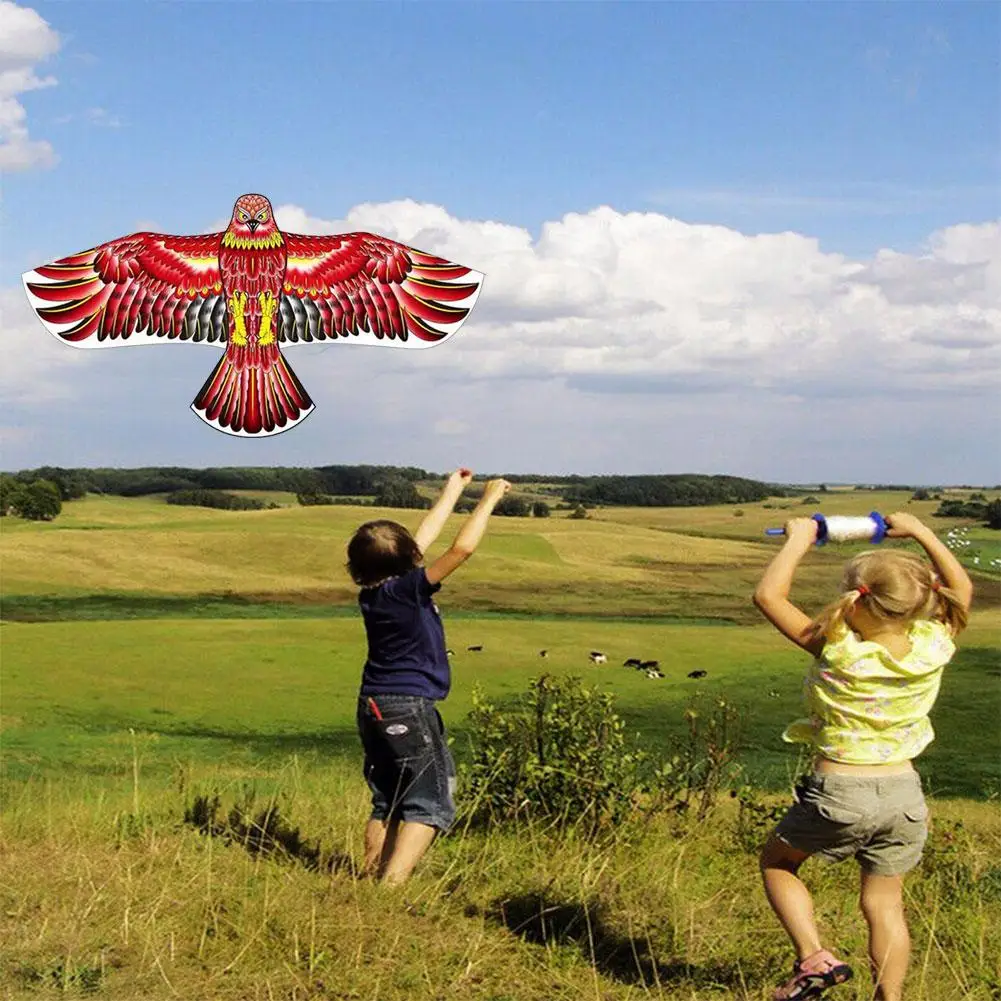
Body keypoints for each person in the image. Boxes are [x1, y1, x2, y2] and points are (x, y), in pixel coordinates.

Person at [752, 512, 973, 1001]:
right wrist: (922, 532)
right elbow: (962, 591)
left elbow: (768, 597)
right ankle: (888, 998)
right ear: (923, 602)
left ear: (856, 599)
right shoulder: (934, 645)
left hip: (841, 788)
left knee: (778, 863)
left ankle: (813, 957)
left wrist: (800, 539)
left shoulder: (836, 649)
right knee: (884, 903)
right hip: (904, 795)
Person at [347, 469, 511, 884]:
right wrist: (488, 500)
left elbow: (420, 542)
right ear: (408, 560)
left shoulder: (375, 592)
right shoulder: (406, 590)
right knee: (430, 802)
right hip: (408, 705)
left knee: (389, 799)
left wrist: (452, 490)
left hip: (373, 704)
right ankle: (390, 889)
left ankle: (369, 878)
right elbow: (460, 550)